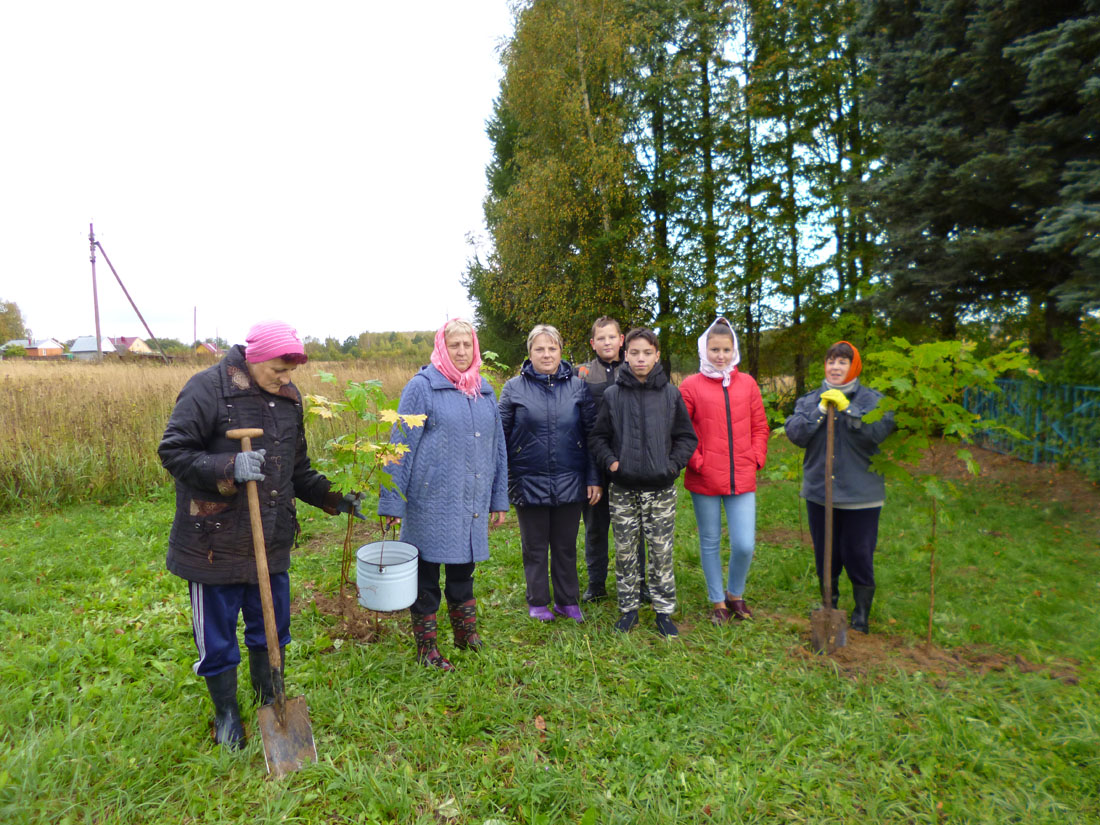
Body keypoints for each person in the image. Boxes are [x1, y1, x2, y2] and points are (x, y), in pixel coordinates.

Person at [158, 320, 364, 750]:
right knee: (216, 635)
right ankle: (227, 712)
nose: (286, 379)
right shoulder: (207, 388)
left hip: (269, 538)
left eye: (291, 372)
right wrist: (229, 468)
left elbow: (297, 469)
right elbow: (174, 450)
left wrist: (333, 498)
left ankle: (270, 698)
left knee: (272, 628)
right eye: (278, 370)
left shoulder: (289, 400)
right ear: (254, 359)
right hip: (213, 541)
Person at [379, 319, 509, 670]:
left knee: (463, 571)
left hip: (471, 500)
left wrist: (498, 498)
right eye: (455, 345)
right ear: (442, 348)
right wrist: (392, 500)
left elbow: (498, 448)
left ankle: (466, 635)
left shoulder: (483, 389)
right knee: (426, 575)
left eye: (468, 344)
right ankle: (427, 649)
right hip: (429, 501)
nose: (462, 351)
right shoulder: (422, 388)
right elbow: (400, 445)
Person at [588, 327, 698, 637]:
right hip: (623, 490)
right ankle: (629, 609)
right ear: (626, 354)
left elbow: (686, 437)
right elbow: (598, 437)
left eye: (647, 353)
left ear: (657, 356)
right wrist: (612, 463)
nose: (640, 359)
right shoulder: (613, 395)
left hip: (661, 491)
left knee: (661, 552)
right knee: (625, 551)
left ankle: (663, 612)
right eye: (634, 353)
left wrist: (672, 465)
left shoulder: (670, 394)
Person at [784, 341, 895, 633]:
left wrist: (850, 410)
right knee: (826, 553)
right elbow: (795, 434)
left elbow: (878, 433)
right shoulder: (810, 400)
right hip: (821, 494)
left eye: (843, 362)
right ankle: (828, 604)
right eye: (831, 361)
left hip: (861, 496)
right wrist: (821, 410)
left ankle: (861, 614)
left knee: (858, 553)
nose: (835, 367)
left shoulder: (873, 401)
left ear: (853, 366)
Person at [499, 324, 600, 623]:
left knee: (566, 546)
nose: (546, 354)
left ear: (561, 350)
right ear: (529, 353)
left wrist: (593, 478)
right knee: (535, 547)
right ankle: (538, 601)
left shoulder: (578, 387)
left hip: (571, 480)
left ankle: (568, 601)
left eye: (551, 348)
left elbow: (592, 435)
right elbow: (500, 439)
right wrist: (500, 481)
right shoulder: (513, 388)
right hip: (527, 480)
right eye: (539, 348)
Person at [680, 318, 770, 625]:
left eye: (726, 349)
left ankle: (736, 594)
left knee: (745, 543)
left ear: (735, 351)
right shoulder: (690, 386)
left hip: (742, 475)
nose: (721, 355)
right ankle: (717, 600)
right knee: (710, 540)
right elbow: (681, 430)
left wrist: (756, 457)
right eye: (714, 349)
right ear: (704, 350)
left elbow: (760, 426)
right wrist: (698, 461)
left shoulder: (747, 384)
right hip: (704, 476)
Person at [575, 316, 647, 602]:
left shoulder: (636, 370)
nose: (607, 342)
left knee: (633, 528)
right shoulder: (581, 374)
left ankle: (638, 583)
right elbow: (580, 426)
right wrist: (591, 473)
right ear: (593, 344)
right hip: (594, 465)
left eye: (612, 337)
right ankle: (596, 583)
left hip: (630, 463)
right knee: (595, 527)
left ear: (622, 341)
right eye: (600, 338)